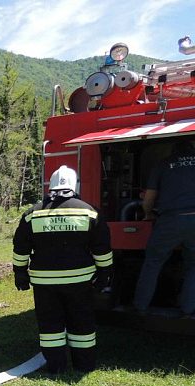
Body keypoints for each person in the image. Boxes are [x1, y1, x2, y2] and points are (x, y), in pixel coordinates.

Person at [12, 165, 113, 373]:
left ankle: (56, 367)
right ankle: (84, 365)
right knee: (82, 325)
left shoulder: (32, 214)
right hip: (80, 282)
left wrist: (20, 273)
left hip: (44, 283)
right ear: (74, 185)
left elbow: (21, 248)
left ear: (51, 185)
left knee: (50, 327)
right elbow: (102, 249)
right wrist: (104, 274)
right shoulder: (89, 212)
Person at [133, 139, 195, 317]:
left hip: (170, 220)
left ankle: (140, 307)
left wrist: (148, 213)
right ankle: (187, 309)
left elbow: (149, 199)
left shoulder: (163, 164)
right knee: (193, 267)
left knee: (153, 262)